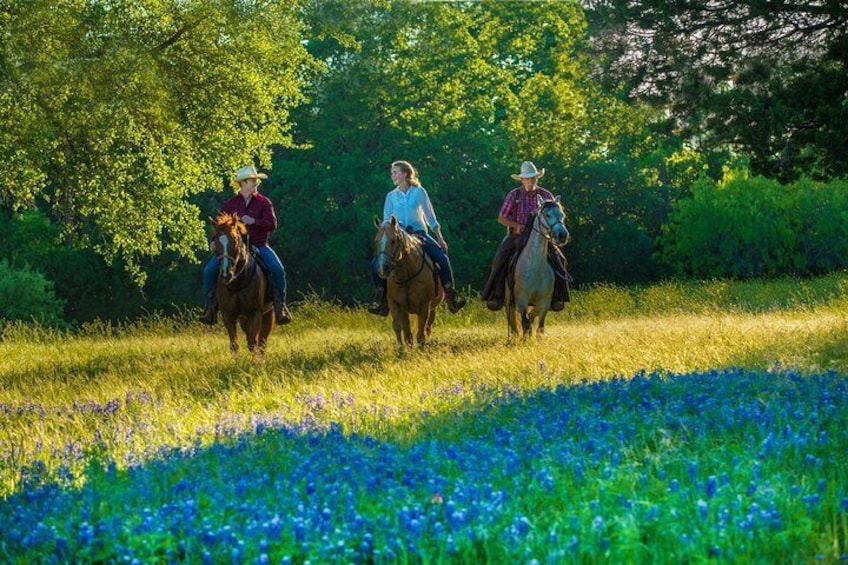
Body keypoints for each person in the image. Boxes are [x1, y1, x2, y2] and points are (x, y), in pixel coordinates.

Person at [368, 160, 467, 316]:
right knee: (375, 263)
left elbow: (430, 217)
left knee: (441, 257)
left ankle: (451, 295)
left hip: (419, 234)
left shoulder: (419, 192)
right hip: (398, 236)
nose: (392, 175)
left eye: (395, 172)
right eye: (392, 172)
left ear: (405, 173)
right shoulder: (391, 196)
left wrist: (440, 238)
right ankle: (380, 298)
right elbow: (387, 220)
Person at [200, 165, 292, 325]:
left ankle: (280, 306)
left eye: (256, 181)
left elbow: (272, 224)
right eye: (252, 181)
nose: (256, 184)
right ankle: (210, 308)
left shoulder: (264, 203)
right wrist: (213, 243)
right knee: (209, 270)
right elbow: (219, 228)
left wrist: (255, 221)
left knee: (278, 269)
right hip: (233, 249)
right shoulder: (229, 205)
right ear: (242, 183)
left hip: (259, 245)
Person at [481, 161, 571, 312]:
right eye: (527, 178)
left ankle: (557, 297)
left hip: (542, 238)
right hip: (516, 236)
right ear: (522, 180)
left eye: (533, 178)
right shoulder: (514, 195)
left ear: (537, 178)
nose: (530, 181)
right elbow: (502, 217)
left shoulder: (546, 195)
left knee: (561, 260)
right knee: (499, 259)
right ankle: (496, 295)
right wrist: (516, 225)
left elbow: (555, 216)